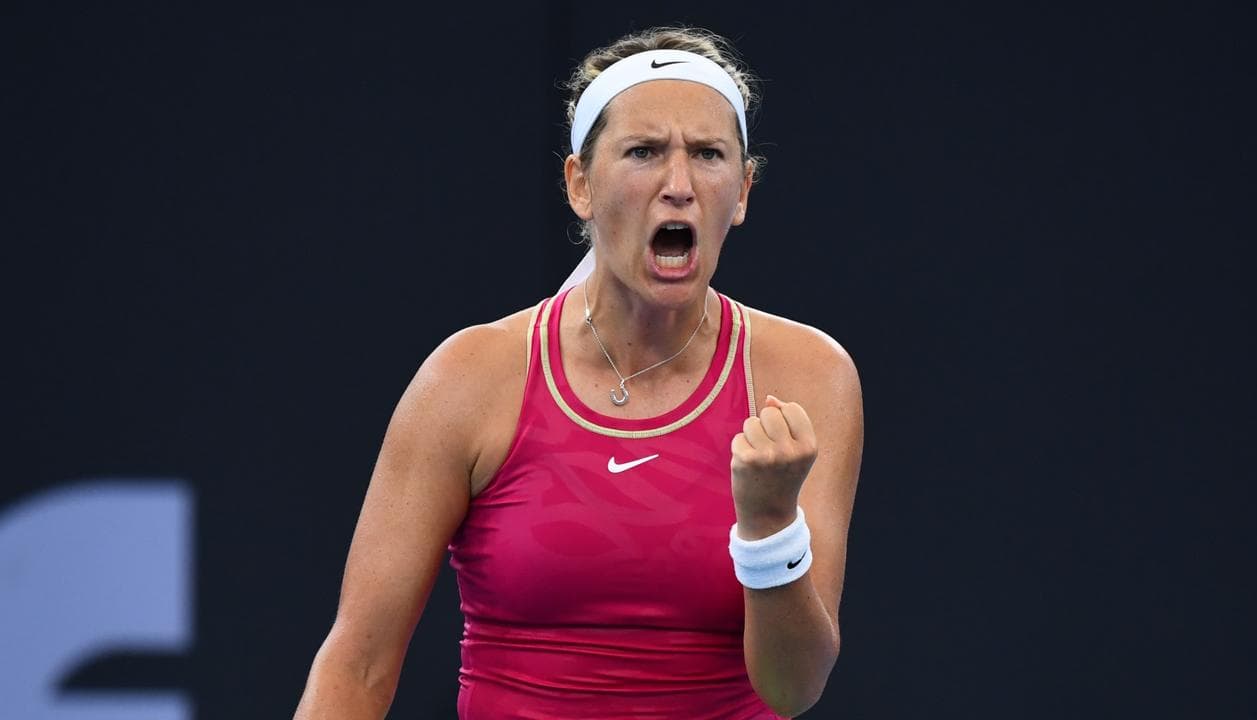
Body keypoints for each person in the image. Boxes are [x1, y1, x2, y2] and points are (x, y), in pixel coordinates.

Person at [294, 26, 863, 719]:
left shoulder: (809, 375)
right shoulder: (469, 379)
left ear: (741, 192)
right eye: (644, 151)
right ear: (580, 184)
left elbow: (793, 688)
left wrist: (771, 524)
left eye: (708, 154)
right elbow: (357, 666)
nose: (679, 186)